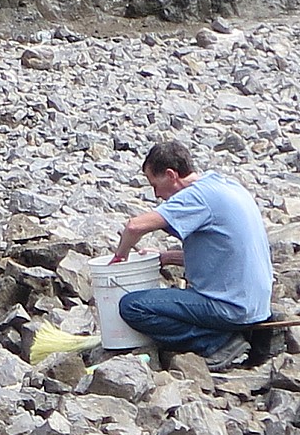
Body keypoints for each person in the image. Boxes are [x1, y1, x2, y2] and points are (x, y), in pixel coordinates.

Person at [111, 140, 272, 367]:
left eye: (154, 185)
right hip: (256, 305)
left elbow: (134, 227)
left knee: (132, 306)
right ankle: (238, 335)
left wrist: (119, 257)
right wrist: (166, 257)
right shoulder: (225, 185)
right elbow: (222, 254)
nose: (156, 195)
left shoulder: (197, 196)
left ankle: (217, 343)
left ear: (171, 175)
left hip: (231, 308)